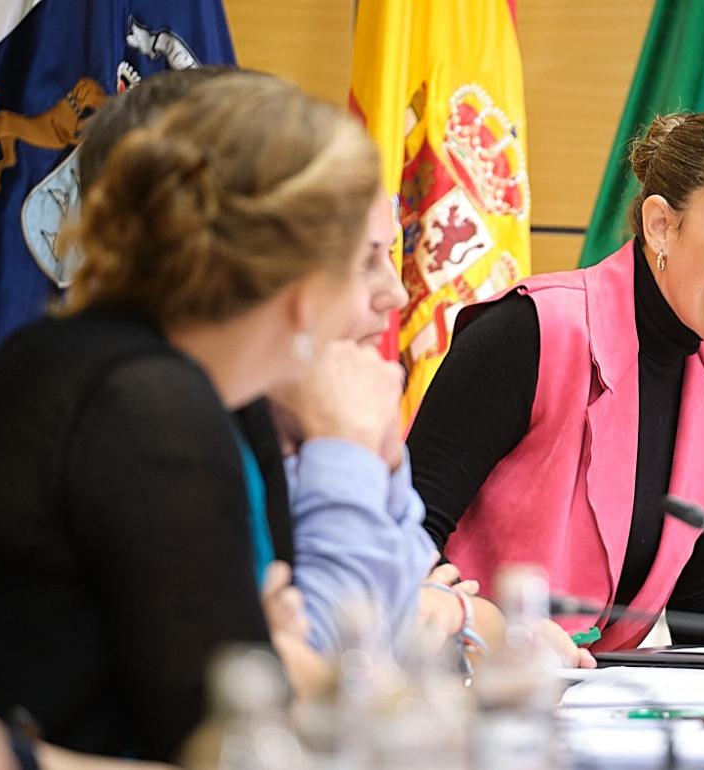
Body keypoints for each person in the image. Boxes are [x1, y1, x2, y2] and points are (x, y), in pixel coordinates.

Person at [0, 72, 383, 761]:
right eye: (360, 263)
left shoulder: (82, 357)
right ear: (306, 291)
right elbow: (230, 741)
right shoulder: (151, 406)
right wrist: (279, 660)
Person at [76, 69, 470, 664]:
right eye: (358, 260)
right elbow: (323, 678)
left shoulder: (267, 404)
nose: (394, 295)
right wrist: (348, 452)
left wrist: (444, 610)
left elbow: (415, 645)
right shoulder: (145, 412)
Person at [407, 107, 704, 650]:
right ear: (662, 225)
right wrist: (494, 633)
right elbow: (400, 545)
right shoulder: (531, 330)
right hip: (465, 694)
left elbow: (703, 603)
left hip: (596, 709)